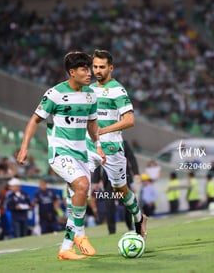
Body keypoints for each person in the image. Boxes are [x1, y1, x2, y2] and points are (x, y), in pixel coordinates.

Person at [16, 51, 106, 260]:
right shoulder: (54, 94)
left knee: (80, 195)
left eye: (90, 68)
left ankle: (74, 240)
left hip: (81, 153)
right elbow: (34, 120)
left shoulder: (91, 94)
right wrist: (24, 147)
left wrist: (98, 145)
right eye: (84, 69)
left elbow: (92, 123)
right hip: (60, 152)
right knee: (82, 186)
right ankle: (72, 241)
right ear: (72, 72)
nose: (89, 73)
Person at [89, 49, 147, 237]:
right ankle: (74, 238)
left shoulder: (117, 90)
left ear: (110, 68)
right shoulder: (88, 89)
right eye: (95, 66)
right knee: (77, 185)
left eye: (102, 67)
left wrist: (103, 130)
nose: (97, 70)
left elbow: (129, 120)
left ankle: (139, 218)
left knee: (120, 190)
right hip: (91, 146)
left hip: (112, 147)